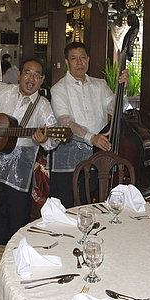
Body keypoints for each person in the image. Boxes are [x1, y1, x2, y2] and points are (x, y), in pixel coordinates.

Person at [0, 58, 58, 245]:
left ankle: (14, 260)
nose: (31, 78)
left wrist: (46, 139)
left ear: (41, 80)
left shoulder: (43, 105)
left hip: (19, 172)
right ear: (19, 75)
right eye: (27, 73)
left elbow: (54, 135)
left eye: (36, 75)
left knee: (17, 219)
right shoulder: (2, 91)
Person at [49, 41, 128, 208]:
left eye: (83, 58)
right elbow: (65, 122)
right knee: (68, 206)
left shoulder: (100, 84)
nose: (79, 63)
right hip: (69, 157)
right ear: (66, 62)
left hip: (97, 154)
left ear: (88, 60)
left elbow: (115, 109)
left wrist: (123, 90)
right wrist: (91, 137)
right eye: (74, 59)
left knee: (92, 203)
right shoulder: (58, 89)